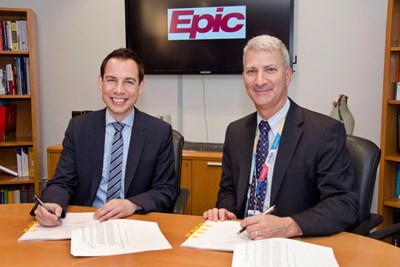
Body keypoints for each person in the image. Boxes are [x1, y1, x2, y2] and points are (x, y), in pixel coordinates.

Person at [203, 35, 359, 239]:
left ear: (287, 75)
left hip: (296, 244)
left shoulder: (324, 132)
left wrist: (289, 226)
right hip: (243, 239)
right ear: (244, 77)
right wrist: (226, 212)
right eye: (252, 71)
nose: (259, 81)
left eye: (270, 70)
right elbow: (228, 192)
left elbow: (343, 203)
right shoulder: (236, 131)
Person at [32, 48, 178, 226]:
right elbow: (62, 181)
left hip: (134, 223)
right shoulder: (79, 128)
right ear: (100, 82)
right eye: (111, 80)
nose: (118, 90)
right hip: (86, 222)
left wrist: (132, 204)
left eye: (129, 82)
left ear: (141, 87)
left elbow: (166, 189)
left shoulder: (159, 132)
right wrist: (52, 205)